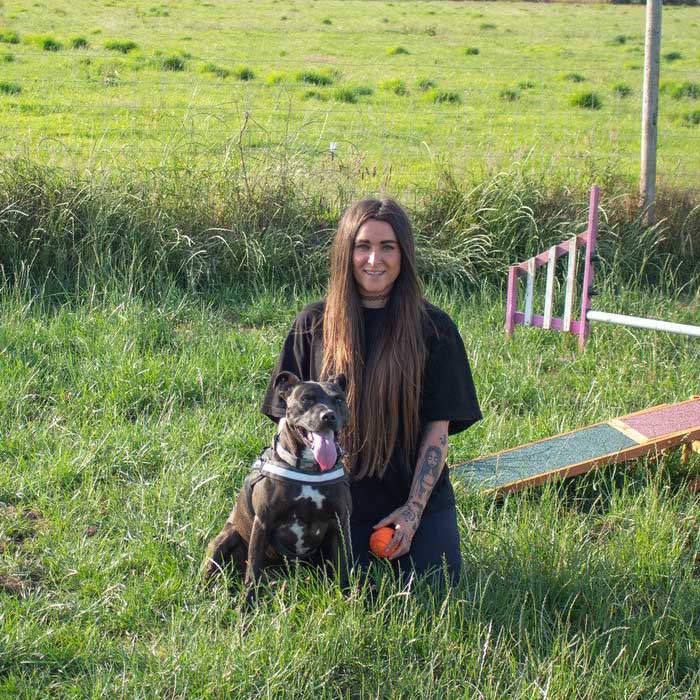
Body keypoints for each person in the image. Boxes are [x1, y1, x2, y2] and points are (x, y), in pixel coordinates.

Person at [261, 197, 482, 585]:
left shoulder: (435, 330)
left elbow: (437, 435)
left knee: (437, 582)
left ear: (405, 254)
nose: (373, 259)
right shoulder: (311, 324)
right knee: (341, 584)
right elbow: (286, 427)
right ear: (346, 252)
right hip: (329, 498)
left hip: (409, 494)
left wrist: (413, 512)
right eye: (363, 246)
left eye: (387, 247)